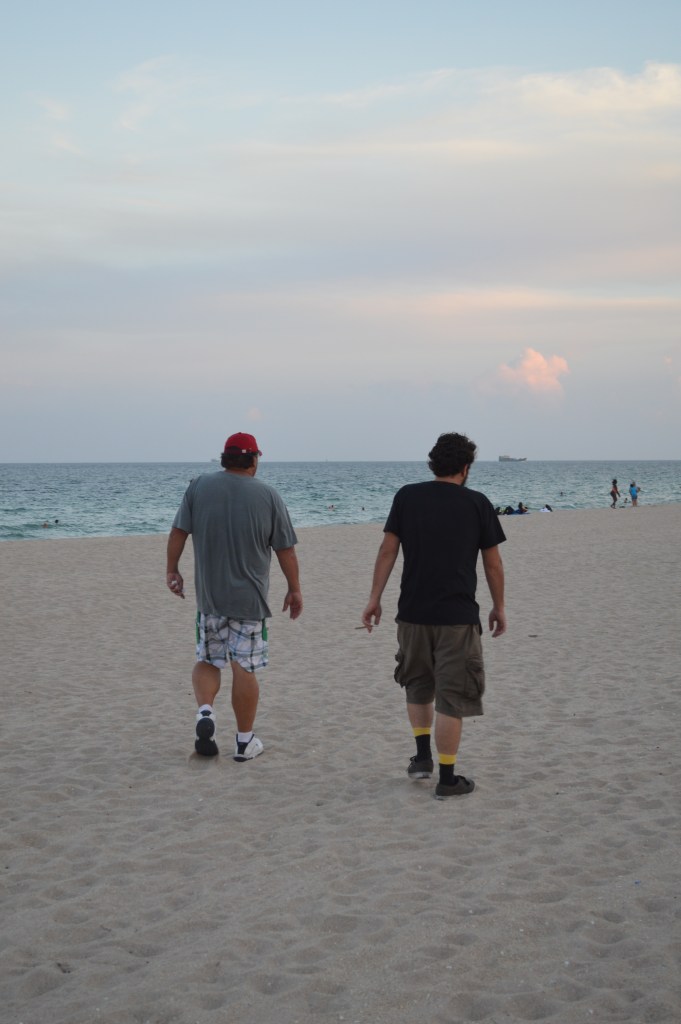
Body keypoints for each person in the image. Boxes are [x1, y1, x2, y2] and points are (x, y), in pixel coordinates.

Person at [361, 432, 507, 800]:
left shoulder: (407, 497)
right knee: (452, 698)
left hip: (412, 613)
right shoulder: (477, 503)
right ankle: (447, 778)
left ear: (433, 463)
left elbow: (387, 551)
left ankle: (422, 757)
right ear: (465, 467)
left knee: (418, 685)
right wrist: (499, 606)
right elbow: (492, 564)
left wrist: (374, 598)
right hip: (457, 616)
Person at [166, 432, 303, 760]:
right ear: (253, 460)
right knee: (244, 666)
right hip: (249, 601)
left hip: (210, 598)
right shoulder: (268, 495)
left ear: (225, 458)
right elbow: (285, 549)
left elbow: (178, 532)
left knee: (207, 660)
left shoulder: (198, 486)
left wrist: (172, 570)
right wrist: (294, 588)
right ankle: (244, 742)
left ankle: (205, 713)